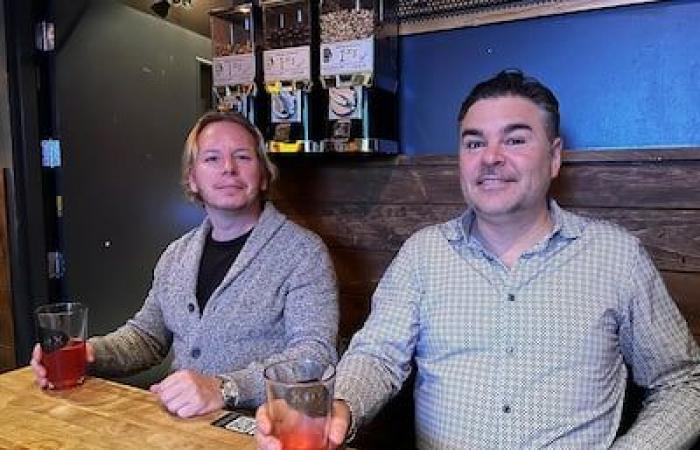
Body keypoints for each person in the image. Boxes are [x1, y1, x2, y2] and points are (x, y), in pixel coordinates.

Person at [256, 70, 700, 449]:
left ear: (555, 156)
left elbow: (683, 383)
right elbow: (377, 356)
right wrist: (340, 407)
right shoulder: (423, 254)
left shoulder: (616, 256)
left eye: (516, 139)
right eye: (474, 143)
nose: (490, 158)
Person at [31, 111, 339, 418]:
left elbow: (315, 356)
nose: (229, 168)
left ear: (263, 175)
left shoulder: (303, 253)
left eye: (243, 157)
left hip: (261, 430)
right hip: (178, 425)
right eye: (212, 159)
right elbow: (146, 337)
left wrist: (225, 388)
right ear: (192, 178)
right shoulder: (176, 255)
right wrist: (90, 352)